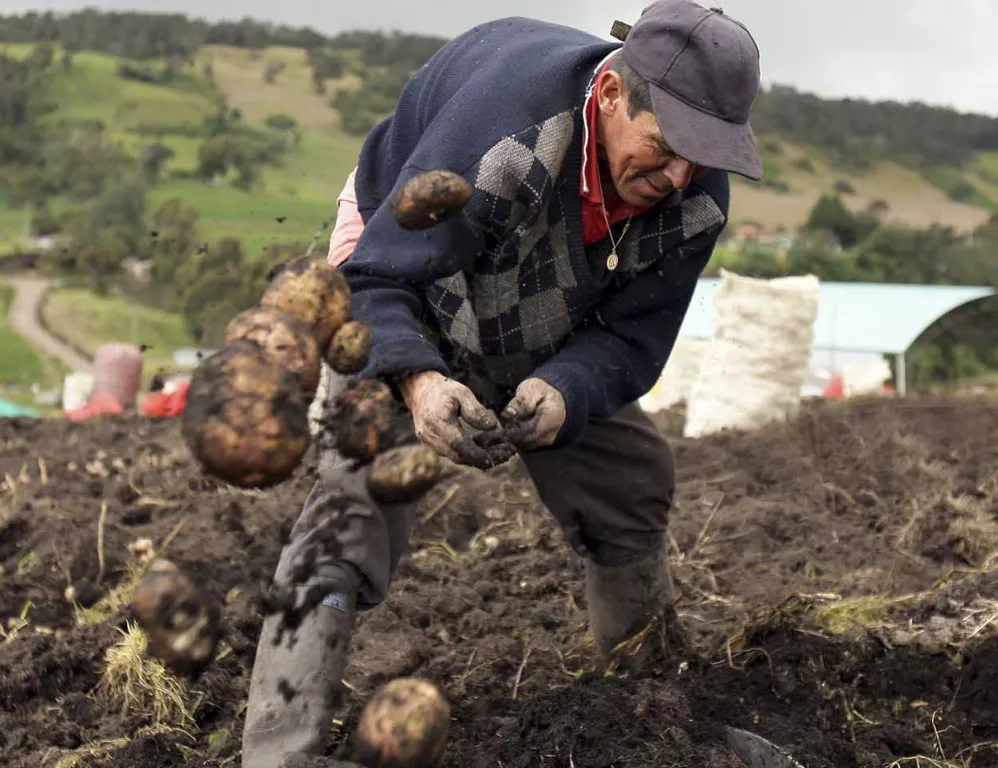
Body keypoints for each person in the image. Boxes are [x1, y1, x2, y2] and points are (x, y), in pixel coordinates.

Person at [242, 1, 763, 765]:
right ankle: (279, 752)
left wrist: (562, 391)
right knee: (356, 501)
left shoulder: (695, 200)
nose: (680, 175)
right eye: (666, 147)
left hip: (551, 297)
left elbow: (631, 337)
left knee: (630, 479)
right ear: (613, 95)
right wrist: (419, 383)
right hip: (405, 272)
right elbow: (379, 280)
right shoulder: (501, 139)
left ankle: (649, 716)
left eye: (702, 156)